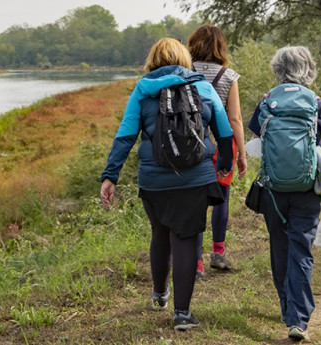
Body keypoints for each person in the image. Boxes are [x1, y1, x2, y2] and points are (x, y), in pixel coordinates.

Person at [99, 37, 234, 331]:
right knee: (185, 238)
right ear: (185, 60)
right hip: (196, 177)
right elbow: (224, 132)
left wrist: (111, 176)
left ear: (152, 62)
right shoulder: (204, 87)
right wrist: (225, 163)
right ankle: (182, 314)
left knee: (160, 232)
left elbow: (125, 136)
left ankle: (160, 293)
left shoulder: (142, 91)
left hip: (154, 180)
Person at [248, 46, 321, 342]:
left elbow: (256, 147)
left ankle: (286, 308)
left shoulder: (267, 101)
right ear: (308, 68)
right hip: (307, 188)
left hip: (273, 191)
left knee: (279, 247)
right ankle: (299, 319)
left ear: (277, 69)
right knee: (301, 249)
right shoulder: (315, 103)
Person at [187, 25, 247, 277]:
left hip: (191, 145)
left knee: (195, 201)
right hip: (222, 144)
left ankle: (196, 262)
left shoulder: (184, 73)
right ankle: (218, 253)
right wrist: (241, 153)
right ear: (221, 47)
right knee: (221, 197)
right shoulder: (228, 76)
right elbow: (235, 119)